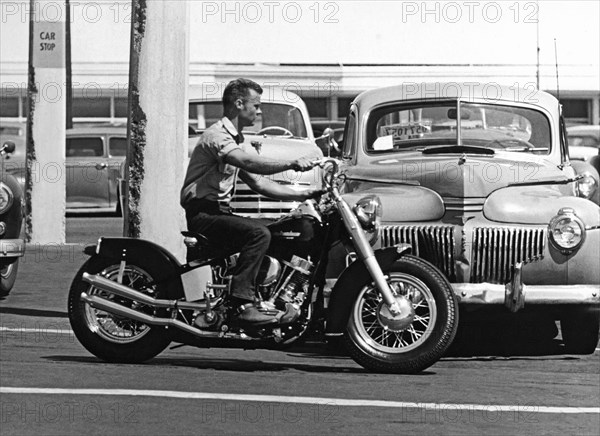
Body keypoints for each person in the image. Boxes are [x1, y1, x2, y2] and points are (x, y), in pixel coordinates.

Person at [181, 78, 321, 325]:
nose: (259, 110)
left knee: (282, 229)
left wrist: (305, 195)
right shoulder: (217, 136)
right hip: (204, 215)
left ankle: (272, 296)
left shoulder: (237, 141)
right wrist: (291, 163)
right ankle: (241, 303)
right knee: (258, 234)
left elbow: (260, 183)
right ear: (238, 103)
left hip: (220, 212)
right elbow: (248, 163)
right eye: (255, 105)